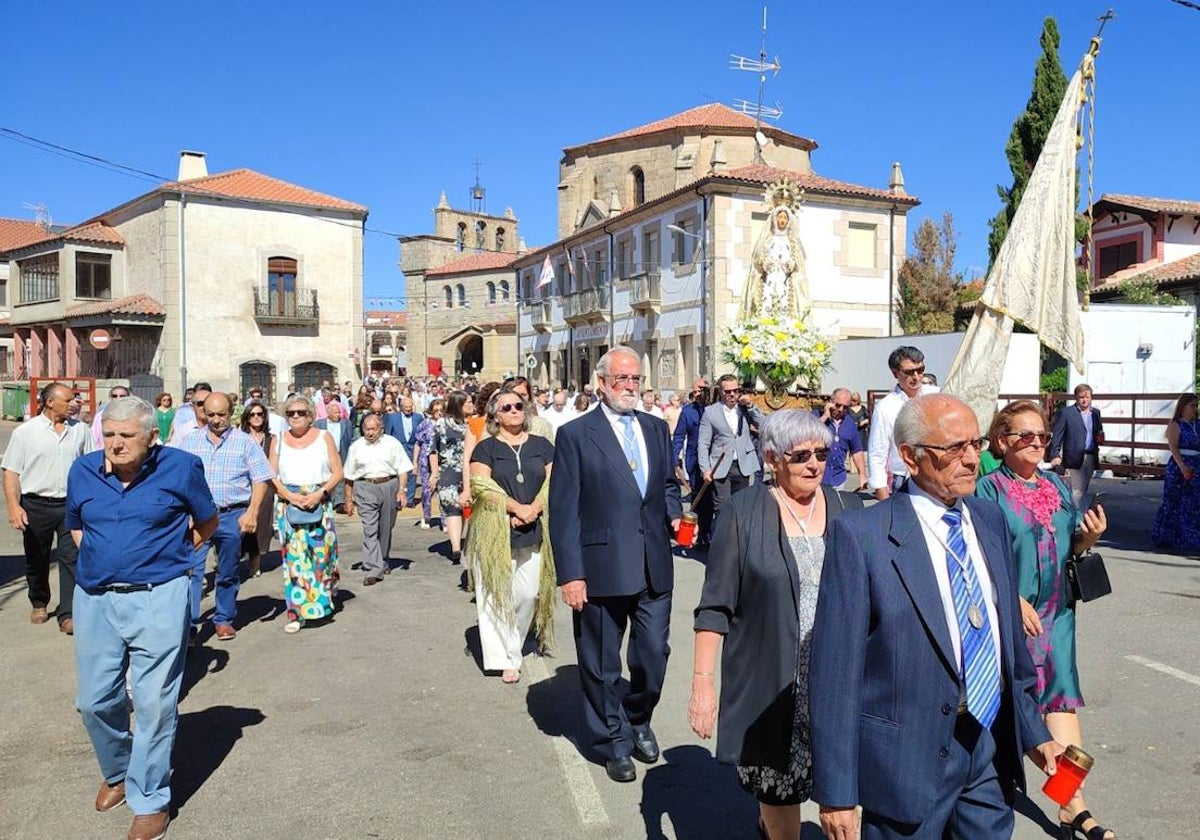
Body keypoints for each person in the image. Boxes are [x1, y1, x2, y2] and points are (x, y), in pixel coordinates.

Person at [810, 394, 1063, 840]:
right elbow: (834, 672)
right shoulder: (863, 536)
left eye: (976, 444)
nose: (971, 459)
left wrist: (1033, 728)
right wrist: (837, 792)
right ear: (910, 456)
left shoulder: (988, 519)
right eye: (954, 448)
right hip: (904, 763)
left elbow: (1008, 643)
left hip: (986, 748)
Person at [689, 410, 862, 840]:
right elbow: (715, 606)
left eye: (822, 453)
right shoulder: (742, 512)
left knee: (844, 807)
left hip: (837, 684)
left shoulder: (849, 508)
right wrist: (703, 685)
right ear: (771, 457)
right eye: (800, 454)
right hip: (769, 685)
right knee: (781, 807)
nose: (813, 464)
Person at [66, 396, 218, 840]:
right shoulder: (83, 470)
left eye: (126, 435)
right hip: (95, 597)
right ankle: (117, 770)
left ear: (153, 437)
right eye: (109, 434)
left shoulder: (180, 468)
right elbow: (78, 526)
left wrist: (169, 559)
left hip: (159, 596)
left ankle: (150, 797)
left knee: (153, 702)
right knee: (95, 701)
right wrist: (105, 559)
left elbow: (206, 522)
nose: (115, 444)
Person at [976, 400, 1113, 840]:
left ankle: (1073, 806)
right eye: (1025, 436)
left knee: (1061, 708)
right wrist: (1010, 599)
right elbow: (976, 558)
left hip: (1058, 617)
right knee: (1005, 711)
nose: (1037, 442)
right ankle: (983, 796)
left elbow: (1070, 546)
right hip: (1009, 618)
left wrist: (1088, 536)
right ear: (1002, 441)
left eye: (1042, 436)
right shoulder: (987, 491)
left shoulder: (1055, 484)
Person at [549, 346, 682, 784]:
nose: (630, 387)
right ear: (601, 383)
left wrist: (676, 512)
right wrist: (571, 574)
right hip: (600, 566)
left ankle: (637, 717)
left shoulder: (655, 428)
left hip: (653, 564)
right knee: (602, 664)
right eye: (621, 379)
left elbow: (664, 486)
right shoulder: (575, 434)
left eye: (635, 379)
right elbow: (564, 510)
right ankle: (612, 740)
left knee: (653, 656)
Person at [467, 388, 557, 682]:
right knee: (495, 594)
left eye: (519, 405)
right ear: (495, 415)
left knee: (529, 593)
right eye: (506, 407)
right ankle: (506, 657)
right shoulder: (487, 448)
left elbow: (554, 480)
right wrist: (516, 509)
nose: (515, 410)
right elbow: (482, 486)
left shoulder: (542, 445)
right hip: (497, 529)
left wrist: (534, 509)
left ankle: (513, 641)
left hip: (534, 526)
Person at [178, 392, 275, 642]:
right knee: (192, 570)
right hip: (199, 517)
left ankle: (223, 619)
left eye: (221, 414)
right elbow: (179, 479)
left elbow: (261, 479)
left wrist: (252, 512)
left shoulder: (245, 442)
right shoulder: (189, 443)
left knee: (228, 569)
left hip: (232, 515)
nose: (215, 420)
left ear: (230, 413)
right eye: (210, 414)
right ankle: (188, 624)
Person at [2, 382, 92, 633]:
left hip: (70, 505)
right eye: (67, 400)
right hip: (35, 504)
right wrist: (13, 506)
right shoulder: (25, 432)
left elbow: (91, 466)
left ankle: (68, 613)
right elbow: (11, 472)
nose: (73, 404)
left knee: (71, 557)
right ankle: (39, 601)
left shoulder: (80, 430)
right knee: (37, 556)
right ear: (50, 402)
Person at [269, 396, 344, 634]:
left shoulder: (324, 437)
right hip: (289, 503)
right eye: (291, 413)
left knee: (320, 557)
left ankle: (322, 602)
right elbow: (271, 476)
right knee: (295, 560)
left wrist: (319, 494)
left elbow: (337, 472)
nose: (296, 417)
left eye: (301, 412)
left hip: (318, 501)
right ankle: (297, 612)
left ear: (310, 415)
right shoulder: (278, 440)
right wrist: (291, 498)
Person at [343, 413, 412, 586]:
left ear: (381, 429)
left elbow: (403, 469)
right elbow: (349, 476)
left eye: (373, 429)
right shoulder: (356, 447)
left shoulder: (392, 443)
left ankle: (382, 559)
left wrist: (402, 491)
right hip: (365, 487)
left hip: (389, 485)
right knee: (370, 529)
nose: (370, 432)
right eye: (367, 429)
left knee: (386, 527)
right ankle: (372, 568)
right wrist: (348, 500)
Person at [867, 346, 933, 500]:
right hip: (903, 480)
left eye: (920, 369)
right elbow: (877, 455)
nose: (916, 377)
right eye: (909, 372)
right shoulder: (886, 407)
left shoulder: (936, 395)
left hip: (935, 475)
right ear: (895, 373)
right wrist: (884, 500)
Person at [699, 374, 764, 522]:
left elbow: (763, 425)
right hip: (721, 466)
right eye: (728, 391)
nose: (732, 394)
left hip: (743, 464)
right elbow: (703, 443)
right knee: (723, 510)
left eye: (735, 390)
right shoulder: (710, 412)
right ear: (720, 391)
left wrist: (750, 406)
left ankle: (740, 542)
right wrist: (705, 469)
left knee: (742, 508)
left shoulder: (745, 409)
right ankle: (721, 542)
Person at [1153, 393, 1200, 551]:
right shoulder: (1176, 424)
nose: (1195, 409)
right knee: (1175, 501)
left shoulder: (1197, 425)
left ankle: (1192, 535)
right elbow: (1173, 447)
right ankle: (1168, 536)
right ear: (1183, 406)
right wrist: (1182, 466)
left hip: (1197, 464)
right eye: (1192, 405)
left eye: (1196, 405)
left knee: (1193, 502)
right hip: (1180, 465)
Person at [431, 390, 472, 564]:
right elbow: (432, 449)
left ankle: (463, 542)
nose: (471, 405)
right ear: (458, 405)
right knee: (452, 506)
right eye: (467, 402)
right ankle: (456, 547)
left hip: (469, 470)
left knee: (466, 505)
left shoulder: (473, 423)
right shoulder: (442, 424)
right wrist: (434, 473)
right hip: (449, 470)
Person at [1048, 384, 1105, 508]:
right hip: (1074, 455)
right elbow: (1058, 435)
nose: (1084, 400)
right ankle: (1074, 516)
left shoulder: (1095, 413)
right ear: (1076, 398)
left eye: (1087, 397)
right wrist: (1055, 454)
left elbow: (1098, 431)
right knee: (1078, 488)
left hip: (1090, 454)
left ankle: (1073, 510)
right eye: (1081, 397)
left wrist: (1100, 437)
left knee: (1083, 487)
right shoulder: (1066, 413)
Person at [672, 378, 712, 545]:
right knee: (700, 497)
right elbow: (680, 436)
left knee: (715, 499)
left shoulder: (715, 409)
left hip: (714, 459)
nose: (699, 394)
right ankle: (702, 535)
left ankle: (711, 531)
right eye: (696, 391)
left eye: (702, 391)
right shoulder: (688, 412)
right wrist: (673, 459)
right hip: (694, 460)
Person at [239, 399, 275, 577]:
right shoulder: (240, 438)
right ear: (247, 418)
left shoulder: (271, 439)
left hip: (266, 486)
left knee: (261, 524)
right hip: (244, 486)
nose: (256, 418)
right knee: (241, 523)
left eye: (260, 414)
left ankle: (255, 562)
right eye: (252, 414)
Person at [816, 388, 867, 492]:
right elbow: (807, 434)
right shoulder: (817, 415)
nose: (840, 409)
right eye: (838, 405)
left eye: (845, 407)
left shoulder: (849, 423)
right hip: (817, 478)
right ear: (831, 401)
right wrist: (825, 416)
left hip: (838, 479)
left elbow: (856, 450)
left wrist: (862, 475)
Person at [384, 396, 423, 507]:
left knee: (412, 474)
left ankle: (410, 499)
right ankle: (398, 499)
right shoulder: (392, 418)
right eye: (406, 407)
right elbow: (388, 434)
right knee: (397, 475)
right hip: (397, 450)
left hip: (412, 448)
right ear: (401, 407)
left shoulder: (418, 417)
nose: (408, 409)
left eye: (410, 406)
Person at [315, 401, 353, 511]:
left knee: (340, 476)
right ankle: (327, 498)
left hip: (341, 452)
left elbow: (349, 437)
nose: (338, 415)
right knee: (327, 476)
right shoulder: (319, 424)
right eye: (335, 412)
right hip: (325, 454)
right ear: (328, 412)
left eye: (339, 412)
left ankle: (339, 502)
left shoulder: (346, 423)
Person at [412, 398, 444, 530]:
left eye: (441, 410)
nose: (438, 413)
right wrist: (415, 462)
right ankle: (426, 516)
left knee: (443, 490)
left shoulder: (447, 424)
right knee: (427, 490)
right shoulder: (425, 424)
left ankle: (445, 519)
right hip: (426, 461)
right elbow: (418, 443)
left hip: (443, 460)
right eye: (436, 410)